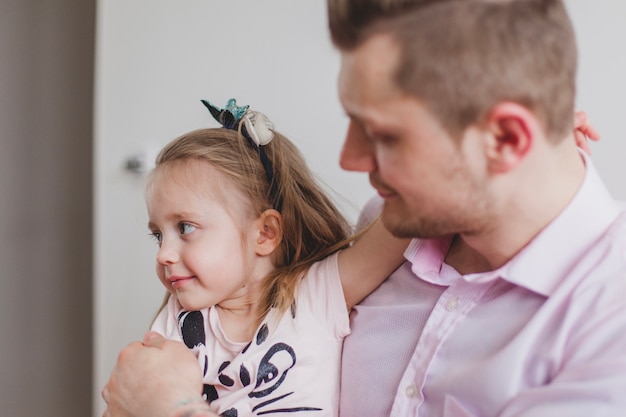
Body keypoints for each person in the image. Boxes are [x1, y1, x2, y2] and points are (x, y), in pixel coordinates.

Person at [101, 0, 623, 416]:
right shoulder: (393, 217)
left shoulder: (606, 330)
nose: (349, 160)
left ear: (508, 139)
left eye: (383, 135)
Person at [104, 98, 407, 417]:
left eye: (186, 227)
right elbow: (133, 401)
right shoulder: (176, 323)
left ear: (264, 234)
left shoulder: (317, 295)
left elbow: (401, 224)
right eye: (158, 235)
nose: (164, 254)